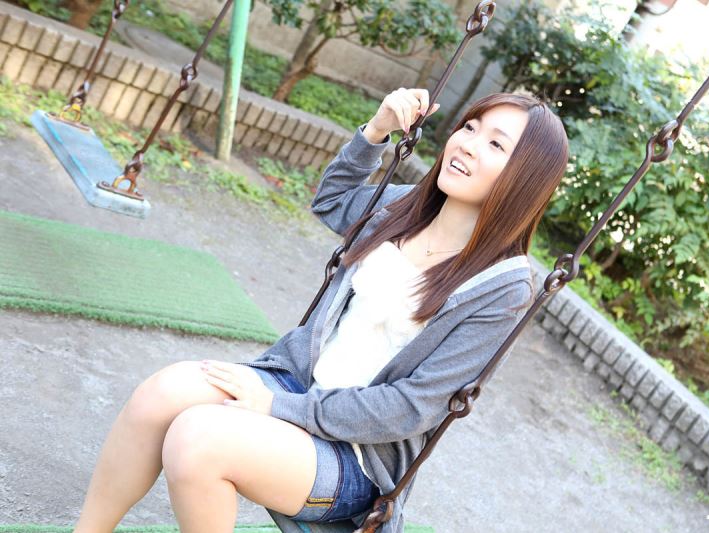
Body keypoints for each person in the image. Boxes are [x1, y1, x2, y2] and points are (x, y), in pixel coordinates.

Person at [72, 87, 569, 533]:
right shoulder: (405, 207)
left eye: (496, 145)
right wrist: (376, 131)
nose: (468, 145)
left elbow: (411, 408)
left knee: (196, 440)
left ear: (524, 179)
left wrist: (279, 408)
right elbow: (331, 202)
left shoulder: (502, 290)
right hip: (296, 383)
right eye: (470, 128)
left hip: (356, 457)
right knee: (159, 395)